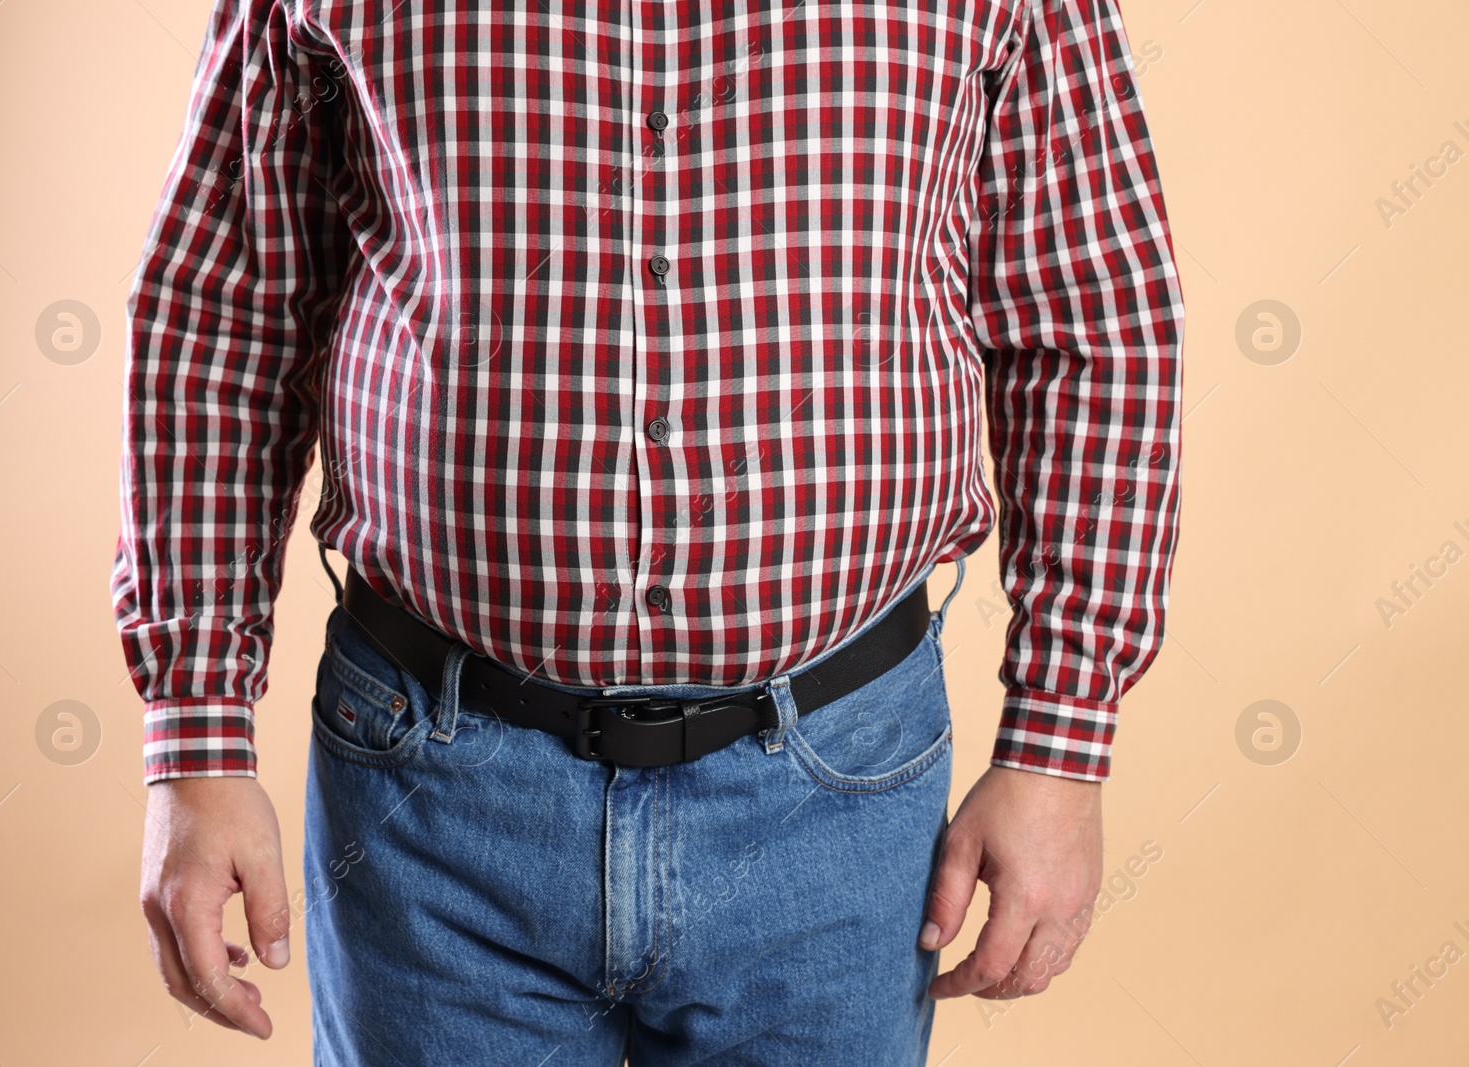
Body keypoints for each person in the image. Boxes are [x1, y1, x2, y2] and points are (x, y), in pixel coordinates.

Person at [114, 0, 1182, 1061]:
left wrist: (1058, 740)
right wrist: (197, 734)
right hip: (429, 797)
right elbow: (223, 313)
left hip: (838, 788)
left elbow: (1097, 321)